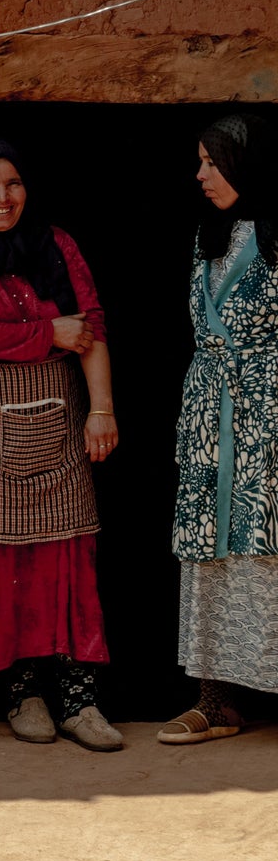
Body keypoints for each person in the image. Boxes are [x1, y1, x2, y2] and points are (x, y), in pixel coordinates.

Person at [0, 138, 122, 751]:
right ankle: (23, 692)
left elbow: (89, 329)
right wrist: (46, 331)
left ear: (27, 189)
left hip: (57, 423)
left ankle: (77, 697)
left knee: (61, 552)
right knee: (1, 557)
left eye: (11, 183)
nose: (1, 197)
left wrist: (102, 410)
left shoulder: (58, 246)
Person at [160, 114, 278, 744]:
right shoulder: (206, 239)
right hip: (211, 415)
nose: (201, 174)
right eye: (200, 161)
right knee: (213, 550)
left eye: (213, 161)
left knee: (270, 543)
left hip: (269, 412)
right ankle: (217, 701)